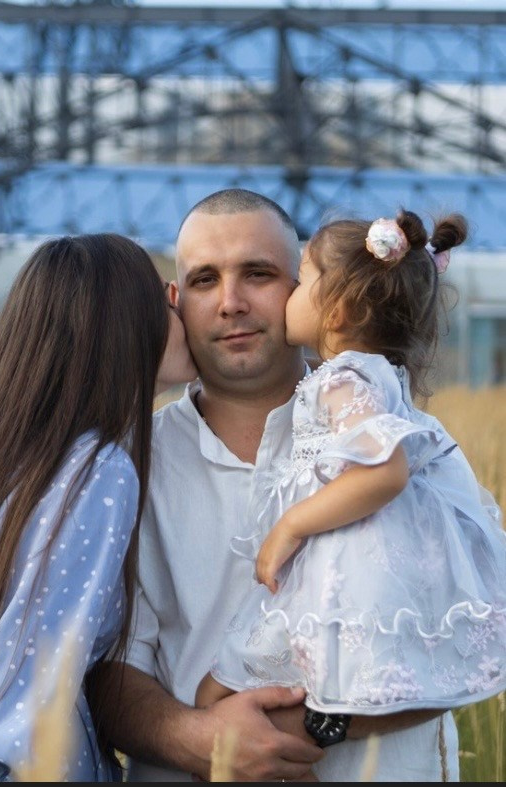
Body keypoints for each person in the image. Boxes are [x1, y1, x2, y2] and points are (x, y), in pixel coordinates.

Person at [88, 190, 464, 782]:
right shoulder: (125, 465)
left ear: (309, 288)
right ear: (176, 300)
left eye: (258, 274)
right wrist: (199, 740)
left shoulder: (400, 441)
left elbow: (464, 638)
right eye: (206, 280)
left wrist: (304, 729)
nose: (231, 303)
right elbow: (103, 668)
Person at [195, 208, 506, 754]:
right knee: (245, 691)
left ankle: (280, 745)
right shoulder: (380, 376)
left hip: (341, 575)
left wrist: (291, 525)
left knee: (215, 693)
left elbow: (385, 469)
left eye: (302, 280)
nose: (290, 294)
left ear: (338, 311)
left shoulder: (342, 379)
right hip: (364, 577)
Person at [0, 233, 197, 782]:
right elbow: (34, 675)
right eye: (166, 297)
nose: (183, 312)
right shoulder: (97, 470)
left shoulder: (0, 458)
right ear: (123, 320)